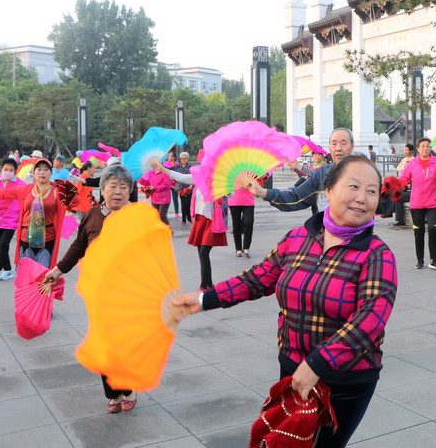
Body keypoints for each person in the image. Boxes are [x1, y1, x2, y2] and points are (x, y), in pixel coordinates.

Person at [174, 155, 397, 448]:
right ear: (327, 191)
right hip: (293, 367)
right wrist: (206, 299)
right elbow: (259, 278)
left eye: (371, 191)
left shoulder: (378, 255)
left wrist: (318, 363)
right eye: (353, 186)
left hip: (345, 380)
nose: (362, 198)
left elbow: (369, 320)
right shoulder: (298, 237)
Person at [42, 164, 138, 413]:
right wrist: (58, 270)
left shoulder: (138, 216)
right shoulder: (93, 214)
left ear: (130, 191)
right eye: (113, 185)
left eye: (123, 187)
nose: (118, 191)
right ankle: (113, 393)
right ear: (102, 189)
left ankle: (128, 387)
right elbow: (78, 246)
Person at [0, 158, 79, 269]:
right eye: (39, 169)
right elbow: (1, 193)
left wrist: (68, 189)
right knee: (26, 275)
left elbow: (76, 202)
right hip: (26, 238)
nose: (42, 172)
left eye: (46, 169)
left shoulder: (56, 190)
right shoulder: (25, 189)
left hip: (48, 238)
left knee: (43, 274)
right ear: (34, 173)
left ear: (50, 173)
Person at [152, 161, 227, 290]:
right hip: (199, 219)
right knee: (201, 253)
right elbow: (180, 177)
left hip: (211, 221)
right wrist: (162, 168)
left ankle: (204, 285)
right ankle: (208, 284)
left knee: (204, 252)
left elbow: (230, 193)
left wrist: (224, 191)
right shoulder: (197, 178)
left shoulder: (218, 181)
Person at [248, 128, 355, 212]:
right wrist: (262, 192)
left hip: (359, 237)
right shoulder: (320, 174)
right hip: (326, 236)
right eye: (334, 144)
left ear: (352, 146)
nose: (338, 148)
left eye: (343, 143)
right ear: (330, 147)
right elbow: (295, 197)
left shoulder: (366, 173)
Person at [398, 137, 436, 270]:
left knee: (433, 229)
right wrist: (399, 186)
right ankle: (420, 259)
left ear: (430, 148)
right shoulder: (413, 163)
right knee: (419, 231)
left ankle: (433, 260)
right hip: (416, 203)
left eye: (428, 146)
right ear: (418, 149)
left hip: (433, 203)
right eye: (423, 146)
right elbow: (403, 178)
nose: (425, 148)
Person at [228, 175, 263, 259]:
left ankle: (246, 247)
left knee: (249, 222)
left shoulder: (249, 169)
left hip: (248, 200)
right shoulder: (231, 169)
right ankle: (238, 249)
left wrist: (263, 176)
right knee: (236, 225)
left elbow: (261, 179)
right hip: (234, 200)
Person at [392, 144, 414, 228]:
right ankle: (399, 219)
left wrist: (409, 186)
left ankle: (395, 216)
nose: (405, 152)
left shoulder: (414, 163)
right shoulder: (404, 160)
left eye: (407, 150)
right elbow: (398, 168)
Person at [175, 152, 193, 224]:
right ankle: (183, 219)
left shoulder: (190, 167)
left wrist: (191, 185)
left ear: (187, 159)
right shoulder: (178, 167)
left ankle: (189, 218)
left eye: (184, 158)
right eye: (182, 158)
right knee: (183, 204)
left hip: (189, 188)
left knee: (188, 203)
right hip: (181, 188)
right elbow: (171, 171)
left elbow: (194, 176)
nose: (183, 160)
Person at [164, 151, 180, 218]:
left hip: (175, 183)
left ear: (174, 157)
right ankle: (165, 212)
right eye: (168, 156)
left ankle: (176, 212)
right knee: (166, 199)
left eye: (170, 155)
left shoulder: (177, 164)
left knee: (175, 198)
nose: (169, 157)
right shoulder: (165, 164)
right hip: (167, 183)